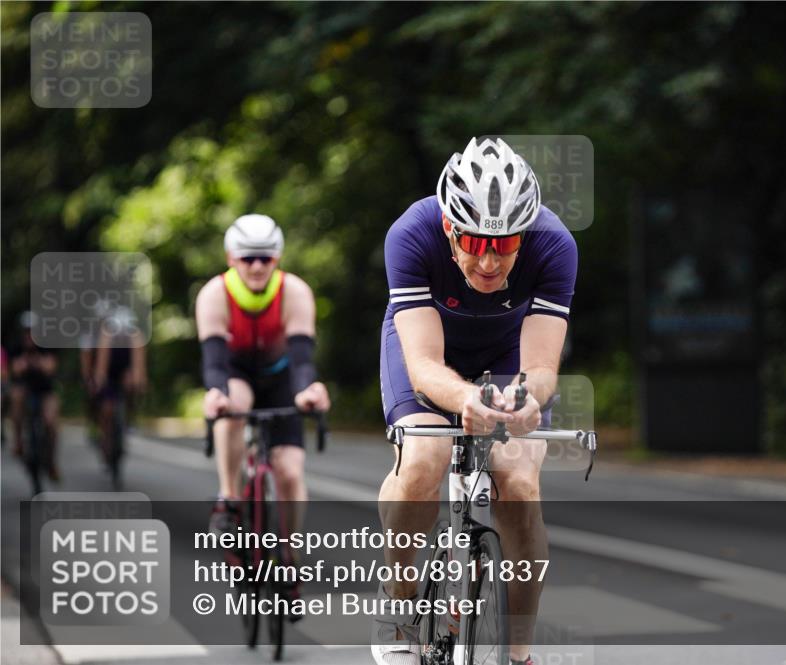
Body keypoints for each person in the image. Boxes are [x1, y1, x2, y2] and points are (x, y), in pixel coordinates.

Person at [373, 137, 578, 665]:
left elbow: (541, 369)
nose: (489, 261)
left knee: (520, 482)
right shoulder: (410, 235)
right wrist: (464, 397)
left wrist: (528, 401)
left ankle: (519, 651)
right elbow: (421, 366)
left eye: (506, 244)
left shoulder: (554, 244)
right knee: (423, 459)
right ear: (449, 228)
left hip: (509, 353)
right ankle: (399, 612)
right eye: (473, 241)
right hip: (427, 347)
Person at [195, 214, 330, 549]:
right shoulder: (214, 294)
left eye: (265, 258)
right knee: (231, 405)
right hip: (236, 373)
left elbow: (301, 359)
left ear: (277, 258)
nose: (257, 267)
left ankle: (290, 558)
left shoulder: (294, 291)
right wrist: (215, 394)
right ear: (231, 259)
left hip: (281, 376)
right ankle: (228, 498)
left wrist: (307, 392)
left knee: (289, 472)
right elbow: (214, 362)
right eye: (247, 258)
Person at [91, 305, 147, 479]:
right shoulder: (107, 337)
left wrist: (138, 381)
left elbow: (139, 366)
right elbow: (101, 366)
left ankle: (129, 420)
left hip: (124, 372)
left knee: (132, 384)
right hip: (110, 373)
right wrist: (99, 381)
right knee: (107, 409)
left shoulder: (136, 337)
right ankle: (105, 438)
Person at [8, 311, 61, 482]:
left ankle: (51, 462)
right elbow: (15, 369)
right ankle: (18, 442)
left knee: (51, 422)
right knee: (16, 397)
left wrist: (37, 363)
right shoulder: (16, 347)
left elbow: (51, 367)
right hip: (24, 390)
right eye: (27, 331)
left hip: (45, 391)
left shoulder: (46, 346)